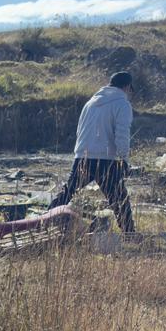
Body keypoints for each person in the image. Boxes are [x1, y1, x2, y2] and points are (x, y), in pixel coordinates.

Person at [49, 71, 136, 233]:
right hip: (106, 159)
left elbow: (79, 130)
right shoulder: (122, 104)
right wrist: (123, 159)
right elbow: (122, 134)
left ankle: (42, 222)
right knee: (119, 199)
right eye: (130, 89)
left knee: (67, 193)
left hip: (82, 156)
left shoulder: (90, 103)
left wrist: (81, 152)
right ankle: (129, 234)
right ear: (126, 86)